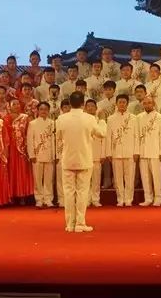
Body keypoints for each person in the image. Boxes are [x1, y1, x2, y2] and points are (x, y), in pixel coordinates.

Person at [56, 91, 106, 232]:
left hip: (68, 159)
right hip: (84, 159)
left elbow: (59, 136)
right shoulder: (90, 118)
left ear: (70, 103)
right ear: (83, 104)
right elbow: (101, 133)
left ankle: (70, 224)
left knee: (68, 192)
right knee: (82, 191)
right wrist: (102, 120)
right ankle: (80, 223)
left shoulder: (61, 119)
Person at [106, 94, 139, 206]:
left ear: (127, 104)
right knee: (118, 178)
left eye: (124, 102)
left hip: (130, 152)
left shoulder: (134, 118)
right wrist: (108, 152)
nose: (122, 104)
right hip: (116, 152)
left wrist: (136, 151)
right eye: (119, 102)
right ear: (116, 103)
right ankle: (120, 199)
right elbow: (108, 137)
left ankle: (129, 199)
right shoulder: (110, 119)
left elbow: (136, 136)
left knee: (130, 177)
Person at [136, 96, 161, 206]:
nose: (147, 105)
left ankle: (158, 198)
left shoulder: (160, 117)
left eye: (149, 103)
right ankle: (148, 198)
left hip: (155, 151)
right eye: (145, 103)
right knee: (145, 177)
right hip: (143, 151)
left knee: (156, 177)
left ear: (153, 104)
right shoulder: (139, 117)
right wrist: (137, 151)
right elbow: (136, 135)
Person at [27, 102, 56, 207]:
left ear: (48, 111)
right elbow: (30, 140)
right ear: (38, 111)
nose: (43, 111)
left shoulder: (53, 123)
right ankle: (39, 199)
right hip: (37, 154)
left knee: (49, 179)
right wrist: (32, 155)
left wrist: (55, 155)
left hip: (49, 154)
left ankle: (48, 199)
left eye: (45, 109)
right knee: (37, 178)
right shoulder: (32, 124)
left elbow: (55, 140)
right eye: (41, 109)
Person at [5, 99, 34, 203]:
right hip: (11, 148)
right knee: (12, 170)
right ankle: (12, 195)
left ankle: (24, 195)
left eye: (18, 104)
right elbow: (5, 134)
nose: (16, 106)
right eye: (14, 104)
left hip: (23, 148)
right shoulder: (6, 118)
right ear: (10, 106)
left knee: (23, 170)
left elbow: (30, 132)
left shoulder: (25, 117)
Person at [85, 99, 107, 207]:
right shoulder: (83, 121)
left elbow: (104, 138)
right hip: (85, 155)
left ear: (96, 108)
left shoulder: (100, 122)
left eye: (92, 106)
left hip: (97, 154)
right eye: (88, 106)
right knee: (86, 180)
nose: (90, 108)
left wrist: (103, 154)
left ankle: (95, 199)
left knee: (96, 179)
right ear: (85, 108)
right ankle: (87, 199)